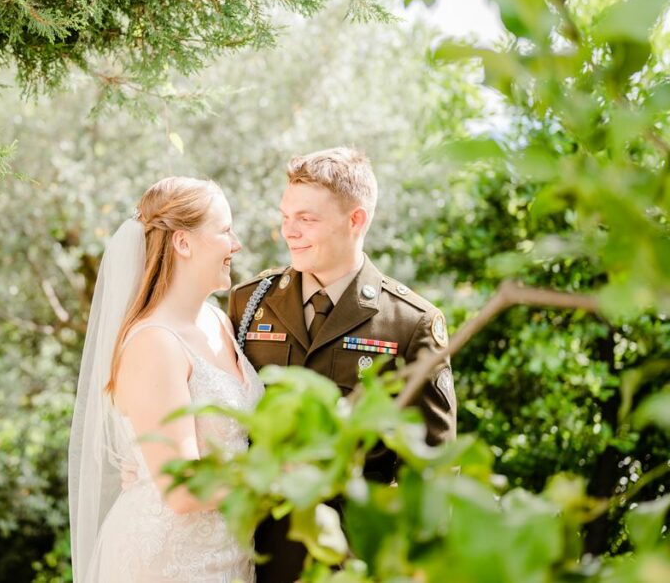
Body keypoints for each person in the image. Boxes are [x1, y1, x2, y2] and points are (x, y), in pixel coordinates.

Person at [228, 148, 457, 583]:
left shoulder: (411, 322)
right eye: (286, 215)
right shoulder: (248, 301)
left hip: (354, 559)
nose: (288, 232)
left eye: (307, 219)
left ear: (356, 220)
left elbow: (431, 467)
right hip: (255, 555)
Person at [69, 176, 265, 582]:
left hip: (229, 554)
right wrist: (279, 473)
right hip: (170, 563)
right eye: (225, 230)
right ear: (183, 242)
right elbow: (182, 489)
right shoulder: (154, 343)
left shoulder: (216, 319)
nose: (236, 244)